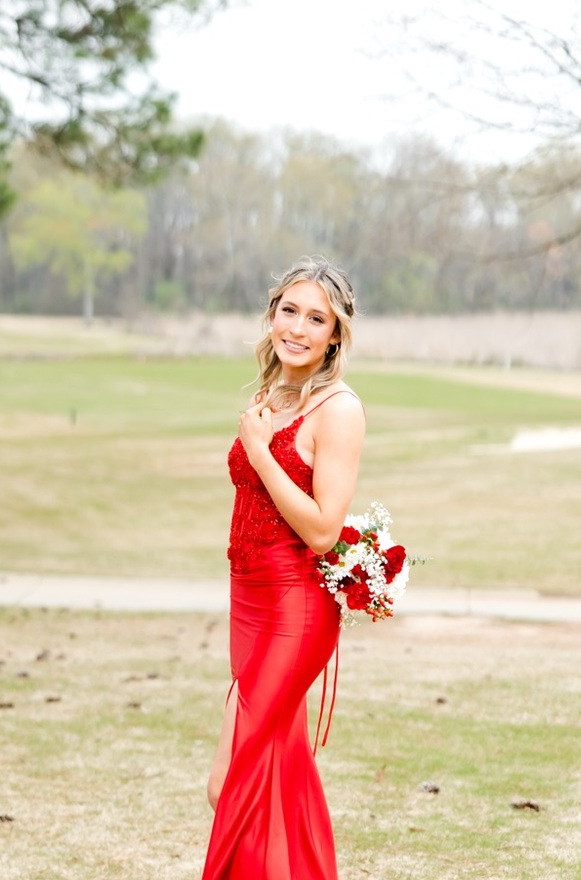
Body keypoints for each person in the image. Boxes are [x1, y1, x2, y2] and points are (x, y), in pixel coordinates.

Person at [202, 255, 367, 880]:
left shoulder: (338, 410)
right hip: (249, 602)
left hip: (295, 614)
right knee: (274, 784)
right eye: (288, 310)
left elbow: (324, 531)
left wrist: (261, 452)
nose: (297, 328)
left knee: (231, 782)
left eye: (315, 318)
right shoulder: (273, 394)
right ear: (272, 315)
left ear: (335, 335)